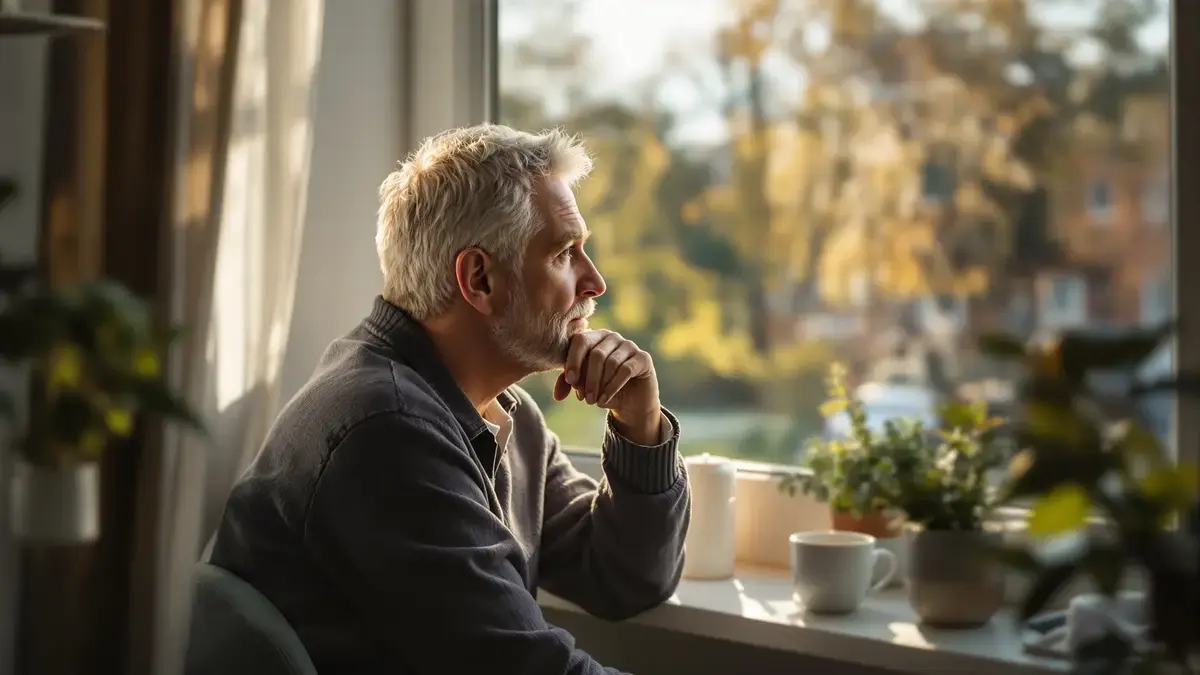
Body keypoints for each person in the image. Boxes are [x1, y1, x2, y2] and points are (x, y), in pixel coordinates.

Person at [208, 124, 691, 675]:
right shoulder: (388, 433)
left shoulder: (504, 415)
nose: (595, 281)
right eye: (564, 254)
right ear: (479, 279)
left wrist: (640, 425)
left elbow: (627, 578)